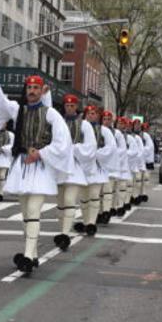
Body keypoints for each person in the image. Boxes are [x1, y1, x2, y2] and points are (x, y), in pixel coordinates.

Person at [0, 66, 73, 275]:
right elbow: (1, 102)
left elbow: (63, 141)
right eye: (29, 88)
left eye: (36, 88)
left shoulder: (51, 114)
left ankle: (26, 254)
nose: (32, 91)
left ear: (42, 91)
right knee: (25, 213)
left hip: (40, 168)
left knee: (33, 211)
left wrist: (41, 153)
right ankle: (32, 254)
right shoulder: (19, 110)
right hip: (22, 165)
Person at [54, 94, 94, 246]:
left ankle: (65, 233)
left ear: (76, 107)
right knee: (60, 203)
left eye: (72, 106)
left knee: (70, 200)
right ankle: (62, 230)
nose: (69, 108)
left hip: (75, 167)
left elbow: (90, 147)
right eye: (67, 106)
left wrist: (74, 149)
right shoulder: (59, 122)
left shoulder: (85, 125)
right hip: (60, 167)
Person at [80, 104, 112, 236]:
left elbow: (110, 147)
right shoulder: (80, 128)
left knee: (94, 195)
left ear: (97, 116)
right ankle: (85, 221)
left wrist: (96, 154)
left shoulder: (103, 130)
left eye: (93, 113)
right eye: (88, 113)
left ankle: (91, 223)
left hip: (97, 167)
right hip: (83, 167)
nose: (90, 115)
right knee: (84, 197)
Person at [97, 111, 119, 225]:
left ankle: (106, 212)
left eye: (108, 119)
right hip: (98, 165)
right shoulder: (97, 130)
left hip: (110, 165)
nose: (106, 121)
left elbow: (117, 149)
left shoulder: (116, 133)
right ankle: (99, 213)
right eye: (104, 119)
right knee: (98, 192)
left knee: (107, 190)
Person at [139, 121, 156, 201]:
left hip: (146, 160)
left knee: (143, 179)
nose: (147, 129)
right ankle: (142, 193)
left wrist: (141, 153)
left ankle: (142, 193)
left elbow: (149, 148)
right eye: (146, 128)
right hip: (146, 160)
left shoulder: (145, 135)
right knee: (143, 179)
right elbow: (149, 148)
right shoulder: (145, 135)